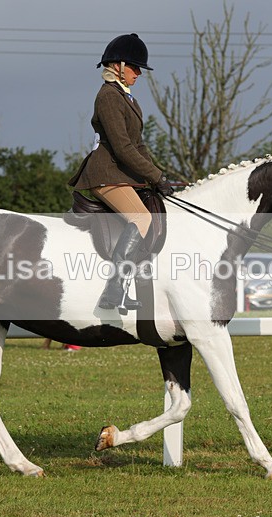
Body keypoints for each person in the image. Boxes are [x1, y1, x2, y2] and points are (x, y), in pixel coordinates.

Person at [68, 33, 173, 311]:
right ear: (119, 65)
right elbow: (123, 148)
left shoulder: (128, 99)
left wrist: (159, 175)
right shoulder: (108, 96)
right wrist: (155, 176)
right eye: (135, 67)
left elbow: (139, 146)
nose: (139, 73)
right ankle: (114, 290)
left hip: (121, 173)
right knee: (140, 218)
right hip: (105, 174)